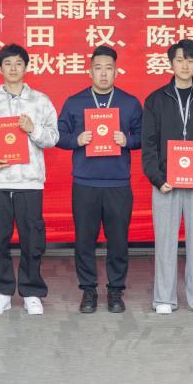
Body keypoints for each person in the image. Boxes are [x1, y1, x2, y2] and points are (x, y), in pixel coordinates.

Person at [0, 44, 59, 316]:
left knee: (33, 240)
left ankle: (32, 291)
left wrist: (33, 129)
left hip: (29, 181)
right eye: (7, 63)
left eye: (18, 63)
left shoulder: (40, 101)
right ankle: (1, 291)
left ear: (26, 67)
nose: (13, 68)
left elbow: (53, 137)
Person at [141, 39, 193, 315]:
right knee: (165, 242)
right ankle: (163, 299)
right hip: (165, 183)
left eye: (190, 60)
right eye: (179, 60)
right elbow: (148, 143)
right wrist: (157, 178)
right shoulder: (155, 100)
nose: (185, 65)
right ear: (171, 64)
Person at [56, 46, 143, 313]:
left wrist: (128, 140)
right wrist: (76, 139)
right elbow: (58, 136)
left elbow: (144, 136)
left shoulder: (129, 102)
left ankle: (116, 291)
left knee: (118, 241)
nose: (103, 74)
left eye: (108, 68)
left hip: (118, 183)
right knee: (84, 240)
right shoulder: (75, 102)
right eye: (98, 68)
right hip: (85, 183)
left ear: (116, 72)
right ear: (90, 71)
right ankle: (88, 291)